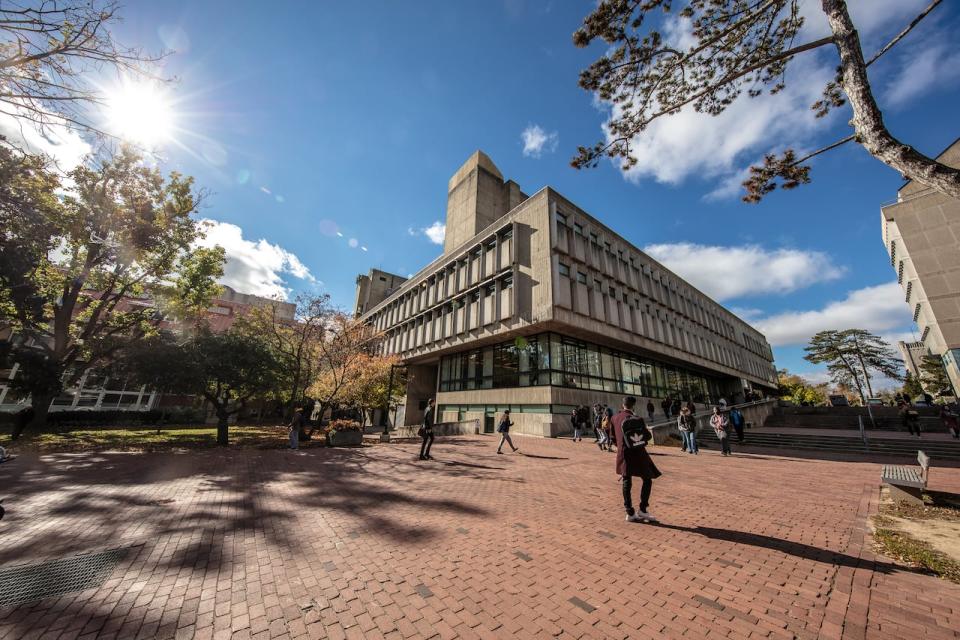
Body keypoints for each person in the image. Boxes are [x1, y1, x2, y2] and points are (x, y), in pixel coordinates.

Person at [612, 397, 661, 523]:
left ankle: (629, 512)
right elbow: (648, 436)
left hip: (623, 454)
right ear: (633, 406)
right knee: (647, 479)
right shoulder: (638, 419)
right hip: (639, 453)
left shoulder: (615, 418)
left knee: (626, 482)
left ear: (622, 405)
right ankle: (643, 509)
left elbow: (612, 438)